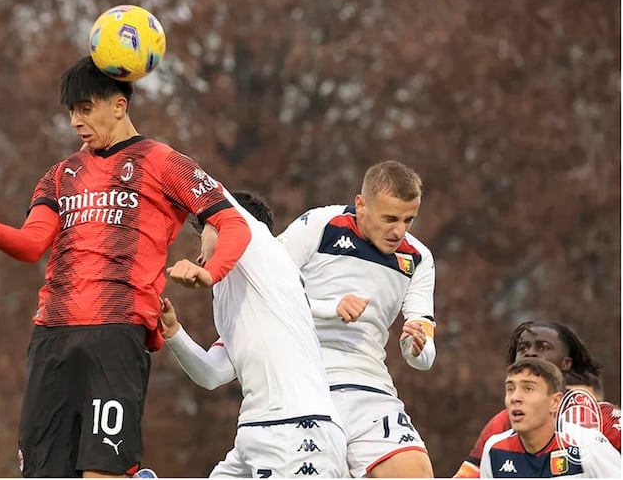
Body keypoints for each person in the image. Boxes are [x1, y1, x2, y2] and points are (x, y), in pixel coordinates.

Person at [0, 56, 251, 478]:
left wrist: (211, 271)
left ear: (119, 105)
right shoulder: (60, 174)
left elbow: (232, 221)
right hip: (52, 336)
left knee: (102, 471)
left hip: (115, 335)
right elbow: (29, 245)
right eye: (72, 111)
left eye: (86, 108)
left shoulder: (164, 162)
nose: (76, 120)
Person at [160, 190, 347, 477]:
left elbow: (220, 200)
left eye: (205, 233)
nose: (199, 252)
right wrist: (174, 332)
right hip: (255, 433)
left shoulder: (261, 250)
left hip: (296, 429)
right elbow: (213, 373)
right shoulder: (236, 293)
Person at [276, 160, 435, 478]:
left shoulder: (418, 258)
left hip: (372, 390)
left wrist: (416, 346)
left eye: (408, 219)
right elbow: (268, 293)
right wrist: (329, 308)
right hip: (307, 386)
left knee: (416, 472)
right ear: (360, 204)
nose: (399, 231)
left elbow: (424, 355)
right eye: (389, 218)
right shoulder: (319, 225)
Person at [453, 321, 621, 478]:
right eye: (523, 348)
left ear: (566, 363)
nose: (530, 353)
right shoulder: (500, 425)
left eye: (543, 347)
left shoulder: (602, 418)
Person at [479, 358, 620, 478]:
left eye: (528, 389)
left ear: (555, 402)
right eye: (510, 389)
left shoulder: (587, 444)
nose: (515, 398)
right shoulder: (494, 449)